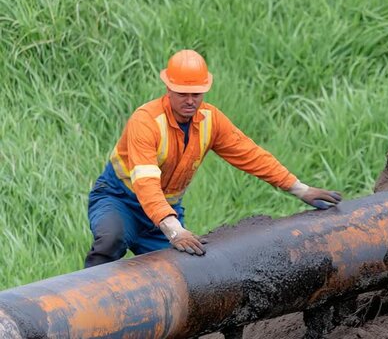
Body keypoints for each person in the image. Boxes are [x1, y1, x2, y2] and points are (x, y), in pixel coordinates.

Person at [84, 49, 342, 268]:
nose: (190, 100)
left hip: (165, 210)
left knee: (179, 272)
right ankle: (85, 307)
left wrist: (300, 189)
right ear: (168, 89)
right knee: (110, 240)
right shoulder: (146, 121)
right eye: (183, 93)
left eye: (196, 93)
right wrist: (174, 230)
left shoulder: (210, 120)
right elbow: (145, 183)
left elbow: (251, 155)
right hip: (120, 200)